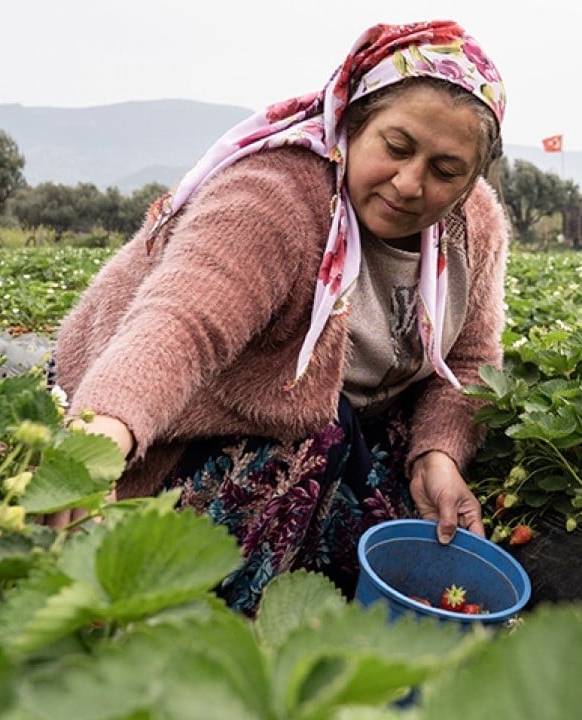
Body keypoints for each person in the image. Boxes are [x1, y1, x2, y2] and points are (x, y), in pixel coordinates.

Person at [47, 20, 510, 613]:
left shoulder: (473, 229)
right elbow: (180, 325)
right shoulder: (276, 197)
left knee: (379, 475)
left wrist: (438, 454)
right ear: (350, 122)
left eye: (446, 171)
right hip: (175, 419)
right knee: (313, 439)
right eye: (396, 148)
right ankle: (193, 622)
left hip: (334, 416)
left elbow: (470, 360)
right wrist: (100, 437)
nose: (409, 183)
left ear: (472, 181)